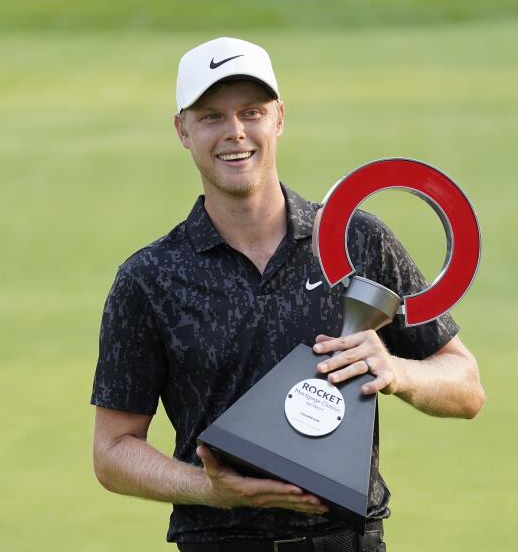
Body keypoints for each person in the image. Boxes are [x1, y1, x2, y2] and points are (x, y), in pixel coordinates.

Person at [91, 37, 485, 552]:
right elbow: (113, 451)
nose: (235, 132)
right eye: (211, 116)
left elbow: (467, 386)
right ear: (181, 130)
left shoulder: (356, 240)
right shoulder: (150, 277)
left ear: (279, 118)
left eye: (251, 112)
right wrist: (212, 491)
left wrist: (397, 371)